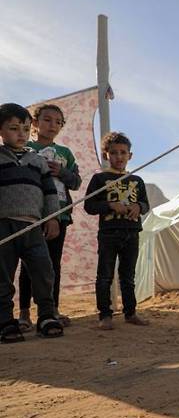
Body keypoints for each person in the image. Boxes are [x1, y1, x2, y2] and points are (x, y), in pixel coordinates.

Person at [0, 103, 63, 343]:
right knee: (2, 276)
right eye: (14, 128)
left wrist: (53, 218)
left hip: (33, 227)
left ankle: (46, 316)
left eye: (25, 128)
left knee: (43, 271)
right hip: (4, 226)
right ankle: (5, 321)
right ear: (1, 130)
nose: (21, 133)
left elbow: (49, 193)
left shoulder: (37, 161)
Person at [18, 104, 81, 330]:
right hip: (31, 215)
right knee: (28, 264)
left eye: (57, 121)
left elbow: (76, 182)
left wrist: (62, 172)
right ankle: (24, 313)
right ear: (35, 123)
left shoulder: (65, 154)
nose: (52, 125)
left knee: (52, 264)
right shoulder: (25, 148)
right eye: (47, 119)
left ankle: (52, 309)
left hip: (60, 215)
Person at [84, 132, 150, 330]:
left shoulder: (137, 180)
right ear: (106, 155)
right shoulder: (99, 179)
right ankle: (105, 315)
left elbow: (146, 204)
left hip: (132, 233)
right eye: (114, 153)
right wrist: (111, 206)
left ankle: (131, 313)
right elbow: (89, 206)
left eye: (123, 152)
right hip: (109, 233)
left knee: (128, 275)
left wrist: (138, 207)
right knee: (104, 275)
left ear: (130, 155)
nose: (119, 157)